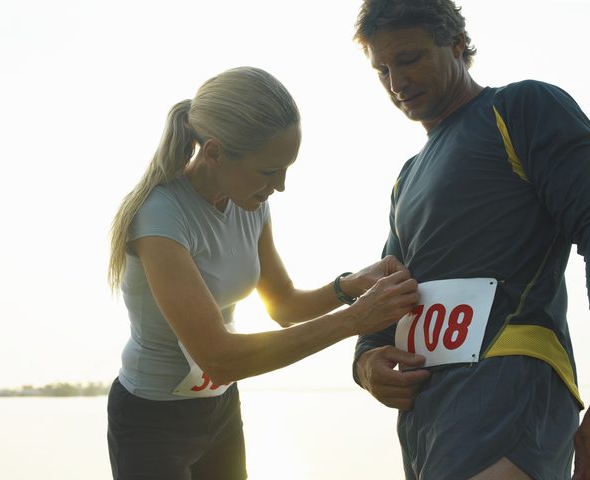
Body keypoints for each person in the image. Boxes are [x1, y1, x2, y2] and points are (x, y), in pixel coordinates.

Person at [106, 66, 418, 480]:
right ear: (214, 153)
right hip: (151, 422)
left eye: (287, 167)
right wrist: (357, 320)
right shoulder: (159, 217)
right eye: (269, 171)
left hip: (219, 409)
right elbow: (218, 358)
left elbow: (284, 304)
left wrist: (349, 287)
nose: (282, 186)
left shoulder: (250, 202)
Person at [350, 1, 590, 479]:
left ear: (457, 45)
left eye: (411, 58)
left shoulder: (522, 108)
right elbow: (385, 301)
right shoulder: (406, 177)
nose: (397, 83)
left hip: (509, 387)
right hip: (427, 419)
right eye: (383, 69)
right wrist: (366, 364)